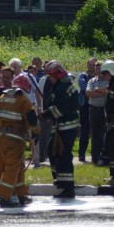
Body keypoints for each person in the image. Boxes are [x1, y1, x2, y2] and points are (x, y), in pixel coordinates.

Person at [0, 74, 39, 207]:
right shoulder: (23, 100)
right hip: (15, 140)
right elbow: (31, 118)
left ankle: (21, 195)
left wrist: (2, 130)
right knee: (12, 168)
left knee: (18, 167)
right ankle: (4, 197)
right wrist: (36, 132)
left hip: (2, 139)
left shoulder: (0, 99)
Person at [39, 60, 80, 199]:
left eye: (50, 77)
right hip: (62, 126)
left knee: (63, 155)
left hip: (66, 126)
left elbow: (61, 108)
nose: (49, 80)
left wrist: (46, 113)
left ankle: (68, 188)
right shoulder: (61, 85)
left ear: (57, 75)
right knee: (52, 149)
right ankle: (60, 179)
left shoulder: (62, 87)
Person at [85, 61, 108, 166]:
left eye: (100, 68)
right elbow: (88, 93)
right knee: (94, 134)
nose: (98, 70)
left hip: (104, 109)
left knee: (103, 134)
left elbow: (108, 90)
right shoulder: (91, 80)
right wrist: (101, 92)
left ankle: (103, 155)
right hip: (93, 109)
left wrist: (97, 90)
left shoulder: (107, 80)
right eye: (96, 68)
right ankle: (94, 157)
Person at [77, 58, 96, 162]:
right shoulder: (82, 76)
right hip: (84, 106)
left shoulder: (99, 77)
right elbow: (83, 87)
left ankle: (95, 154)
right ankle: (81, 154)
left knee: (96, 131)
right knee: (84, 130)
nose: (91, 66)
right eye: (90, 64)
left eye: (94, 65)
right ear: (87, 65)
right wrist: (97, 91)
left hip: (95, 106)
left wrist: (92, 91)